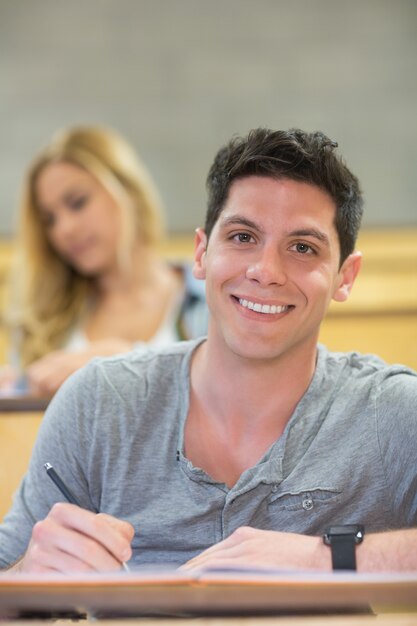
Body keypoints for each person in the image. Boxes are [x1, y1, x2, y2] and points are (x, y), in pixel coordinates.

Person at [1, 127, 416, 574]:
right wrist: (27, 575)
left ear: (345, 276)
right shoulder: (96, 403)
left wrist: (325, 557)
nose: (265, 271)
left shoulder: (387, 412)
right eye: (242, 237)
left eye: (302, 247)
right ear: (201, 252)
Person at [0, 126, 207, 396]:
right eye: (49, 219)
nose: (64, 229)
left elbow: (235, 396)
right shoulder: (44, 318)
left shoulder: (209, 296)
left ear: (128, 190)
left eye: (77, 203)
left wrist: (130, 362)